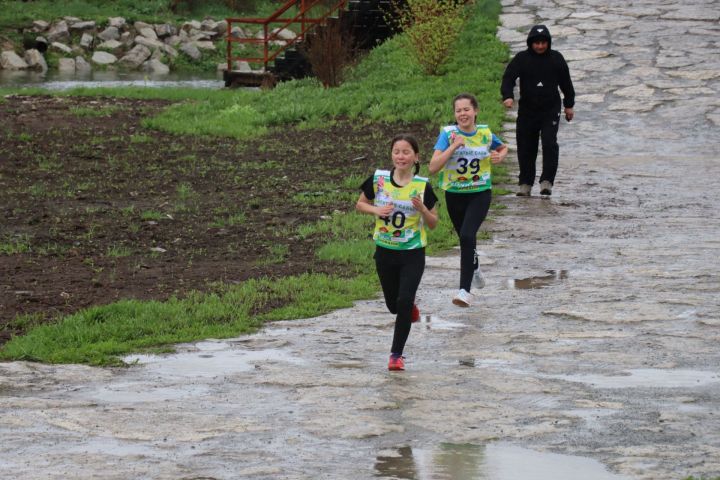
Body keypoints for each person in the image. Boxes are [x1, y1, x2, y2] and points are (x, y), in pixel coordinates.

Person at [356, 134, 439, 371]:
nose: (400, 156)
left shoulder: (422, 186)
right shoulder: (379, 180)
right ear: (391, 155)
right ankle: (407, 309)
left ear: (416, 157)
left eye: (406, 152)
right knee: (394, 305)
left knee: (403, 301)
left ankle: (396, 355)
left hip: (413, 253)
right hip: (384, 251)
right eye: (396, 152)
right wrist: (376, 209)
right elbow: (360, 203)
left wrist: (423, 209)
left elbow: (433, 223)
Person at [429, 93, 508, 307]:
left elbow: (502, 147)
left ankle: (464, 291)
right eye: (458, 110)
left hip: (480, 193)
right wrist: (453, 147)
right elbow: (433, 167)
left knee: (466, 235)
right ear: (454, 114)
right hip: (454, 194)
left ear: (475, 111)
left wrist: (501, 155)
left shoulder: (485, 133)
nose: (462, 114)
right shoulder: (448, 134)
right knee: (465, 240)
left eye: (466, 109)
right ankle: (475, 268)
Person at [500, 24, 575, 197]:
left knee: (549, 143)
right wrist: (508, 96)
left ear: (548, 42)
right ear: (530, 43)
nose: (540, 46)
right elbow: (508, 77)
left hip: (550, 110)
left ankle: (546, 181)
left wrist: (569, 105)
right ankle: (525, 183)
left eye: (543, 43)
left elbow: (566, 84)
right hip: (528, 110)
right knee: (526, 146)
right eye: (536, 43)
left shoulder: (556, 59)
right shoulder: (522, 58)